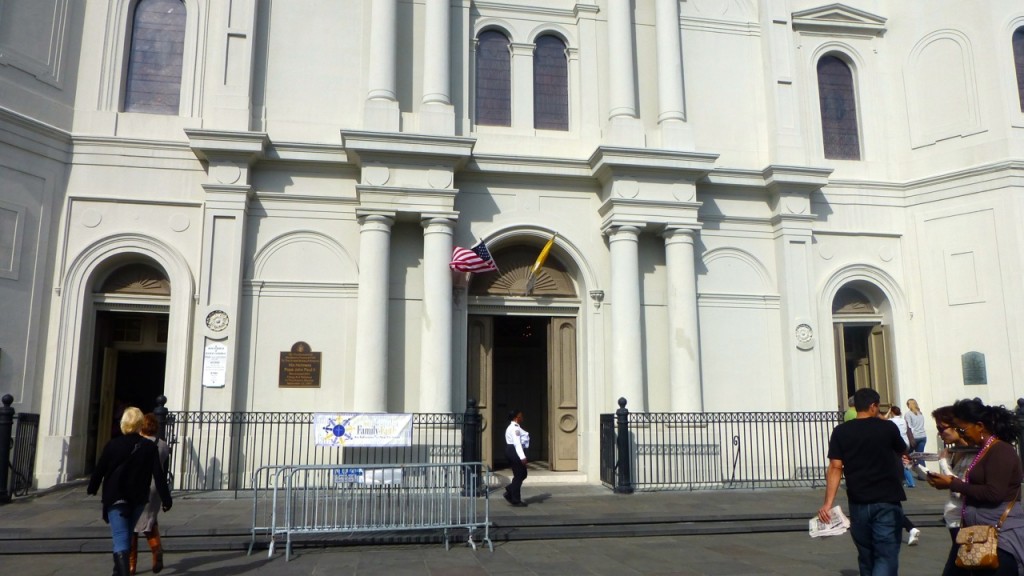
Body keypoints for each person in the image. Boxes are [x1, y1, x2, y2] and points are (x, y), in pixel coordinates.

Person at [926, 399, 1024, 576]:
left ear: (979, 426)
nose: (961, 435)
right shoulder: (984, 449)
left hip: (1000, 535)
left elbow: (994, 493)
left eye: (962, 429)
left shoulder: (1000, 450)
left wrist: (953, 484)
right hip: (979, 531)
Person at [819, 387, 907, 576]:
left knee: (866, 556)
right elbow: (902, 448)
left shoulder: (841, 431)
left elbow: (835, 467)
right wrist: (883, 420)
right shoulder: (887, 428)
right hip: (887, 499)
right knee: (886, 555)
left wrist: (828, 503)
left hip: (858, 501)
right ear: (874, 406)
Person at [88, 407, 172, 576]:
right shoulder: (149, 447)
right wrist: (166, 498)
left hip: (116, 498)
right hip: (138, 498)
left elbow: (100, 470)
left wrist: (93, 488)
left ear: (124, 424)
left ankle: (123, 570)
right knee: (126, 534)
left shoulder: (113, 445)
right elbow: (159, 475)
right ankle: (118, 570)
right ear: (140, 424)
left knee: (121, 538)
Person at [930, 405, 975, 575]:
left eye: (942, 428)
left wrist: (943, 464)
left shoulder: (971, 453)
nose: (940, 434)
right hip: (953, 518)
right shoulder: (956, 451)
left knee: (956, 567)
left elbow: (959, 487)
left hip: (962, 519)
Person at [130, 413, 170, 575]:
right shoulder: (163, 445)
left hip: (140, 485)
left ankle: (131, 564)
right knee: (150, 522)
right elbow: (163, 470)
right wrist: (166, 497)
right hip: (156, 487)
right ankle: (156, 549)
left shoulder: (138, 444)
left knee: (132, 526)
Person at [503, 409, 529, 507]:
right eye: (520, 416)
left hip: (513, 450)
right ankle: (515, 499)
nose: (522, 417)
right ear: (516, 418)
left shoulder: (516, 427)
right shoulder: (515, 428)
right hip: (514, 451)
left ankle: (510, 490)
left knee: (522, 474)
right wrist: (522, 457)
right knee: (519, 475)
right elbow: (517, 443)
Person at [887, 406, 917, 488]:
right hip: (905, 443)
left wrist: (888, 413)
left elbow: (883, 420)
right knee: (904, 462)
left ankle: (908, 481)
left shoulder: (890, 421)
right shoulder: (903, 420)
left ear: (892, 412)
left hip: (896, 443)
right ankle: (908, 481)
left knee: (899, 463)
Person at [906, 399, 928, 464]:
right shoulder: (920, 414)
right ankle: (924, 473)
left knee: (907, 455)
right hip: (923, 436)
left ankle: (907, 472)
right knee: (920, 457)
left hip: (914, 436)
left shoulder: (908, 414)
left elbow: (909, 427)